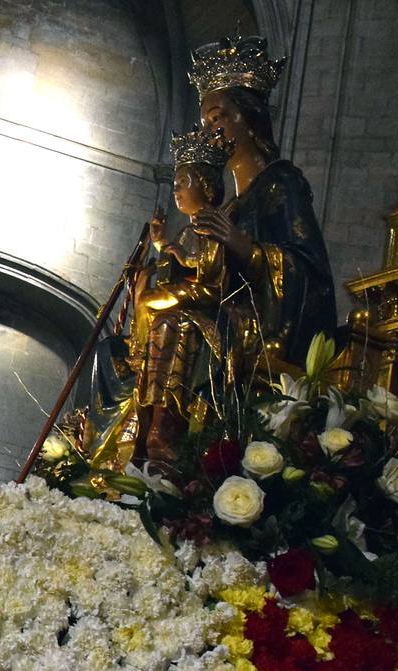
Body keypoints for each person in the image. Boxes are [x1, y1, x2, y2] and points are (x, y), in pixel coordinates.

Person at [186, 36, 335, 368]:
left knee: (185, 327)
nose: (210, 133)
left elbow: (310, 275)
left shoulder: (280, 183)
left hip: (263, 336)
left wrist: (241, 246)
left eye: (216, 118)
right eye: (204, 126)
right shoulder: (228, 208)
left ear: (250, 119)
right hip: (228, 323)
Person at [132, 126, 235, 462]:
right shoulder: (191, 228)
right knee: (148, 302)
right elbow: (177, 260)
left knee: (166, 321)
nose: (175, 192)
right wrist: (162, 243)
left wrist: (174, 250)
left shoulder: (214, 224)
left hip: (203, 303)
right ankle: (140, 372)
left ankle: (166, 421)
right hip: (186, 295)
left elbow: (207, 270)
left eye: (182, 184)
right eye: (174, 185)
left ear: (204, 186)